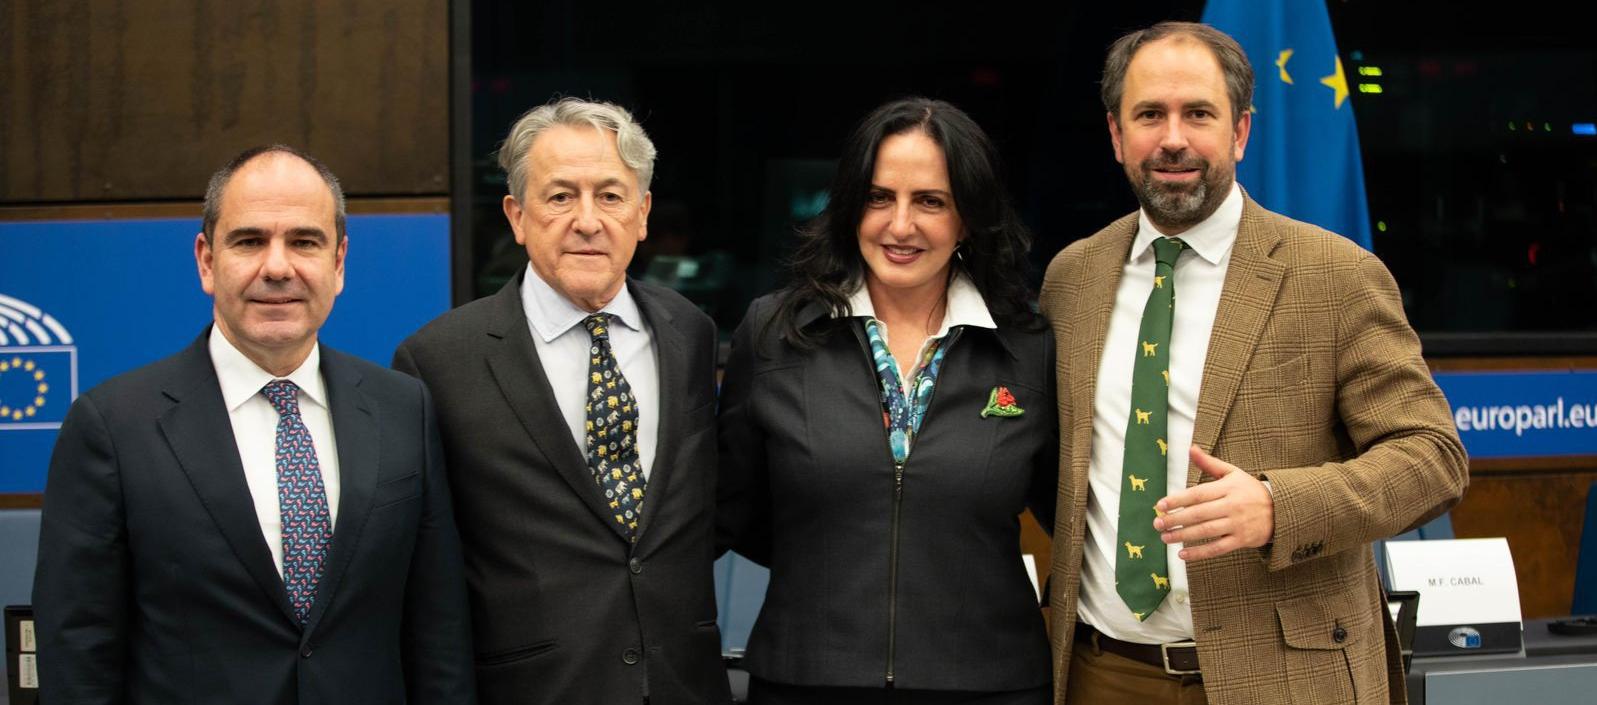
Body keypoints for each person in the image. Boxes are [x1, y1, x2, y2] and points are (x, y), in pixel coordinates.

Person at [1039, 21, 1469, 705]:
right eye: (1148, 114)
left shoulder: (1335, 275)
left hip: (1285, 677)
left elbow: (1431, 457)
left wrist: (1278, 505)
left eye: (1198, 114)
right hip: (1102, 672)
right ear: (1117, 136)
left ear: (1239, 131)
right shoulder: (1071, 278)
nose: (1172, 137)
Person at [32, 145, 475, 704]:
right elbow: (78, 650)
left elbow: (438, 633)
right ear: (206, 261)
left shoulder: (403, 408)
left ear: (338, 264)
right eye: (249, 241)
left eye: (304, 241)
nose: (277, 266)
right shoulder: (113, 426)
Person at [717, 97, 1058, 705]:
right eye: (879, 198)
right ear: (850, 206)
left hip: (990, 684)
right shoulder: (774, 333)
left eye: (931, 201)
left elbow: (1075, 513)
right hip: (807, 678)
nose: (900, 226)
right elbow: (732, 513)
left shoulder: (1028, 347)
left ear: (968, 218)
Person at [393, 98, 730, 705]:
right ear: (517, 216)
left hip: (685, 682)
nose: (587, 220)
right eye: (559, 197)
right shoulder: (438, 361)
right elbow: (427, 574)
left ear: (643, 212)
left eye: (609, 195)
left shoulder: (691, 333)